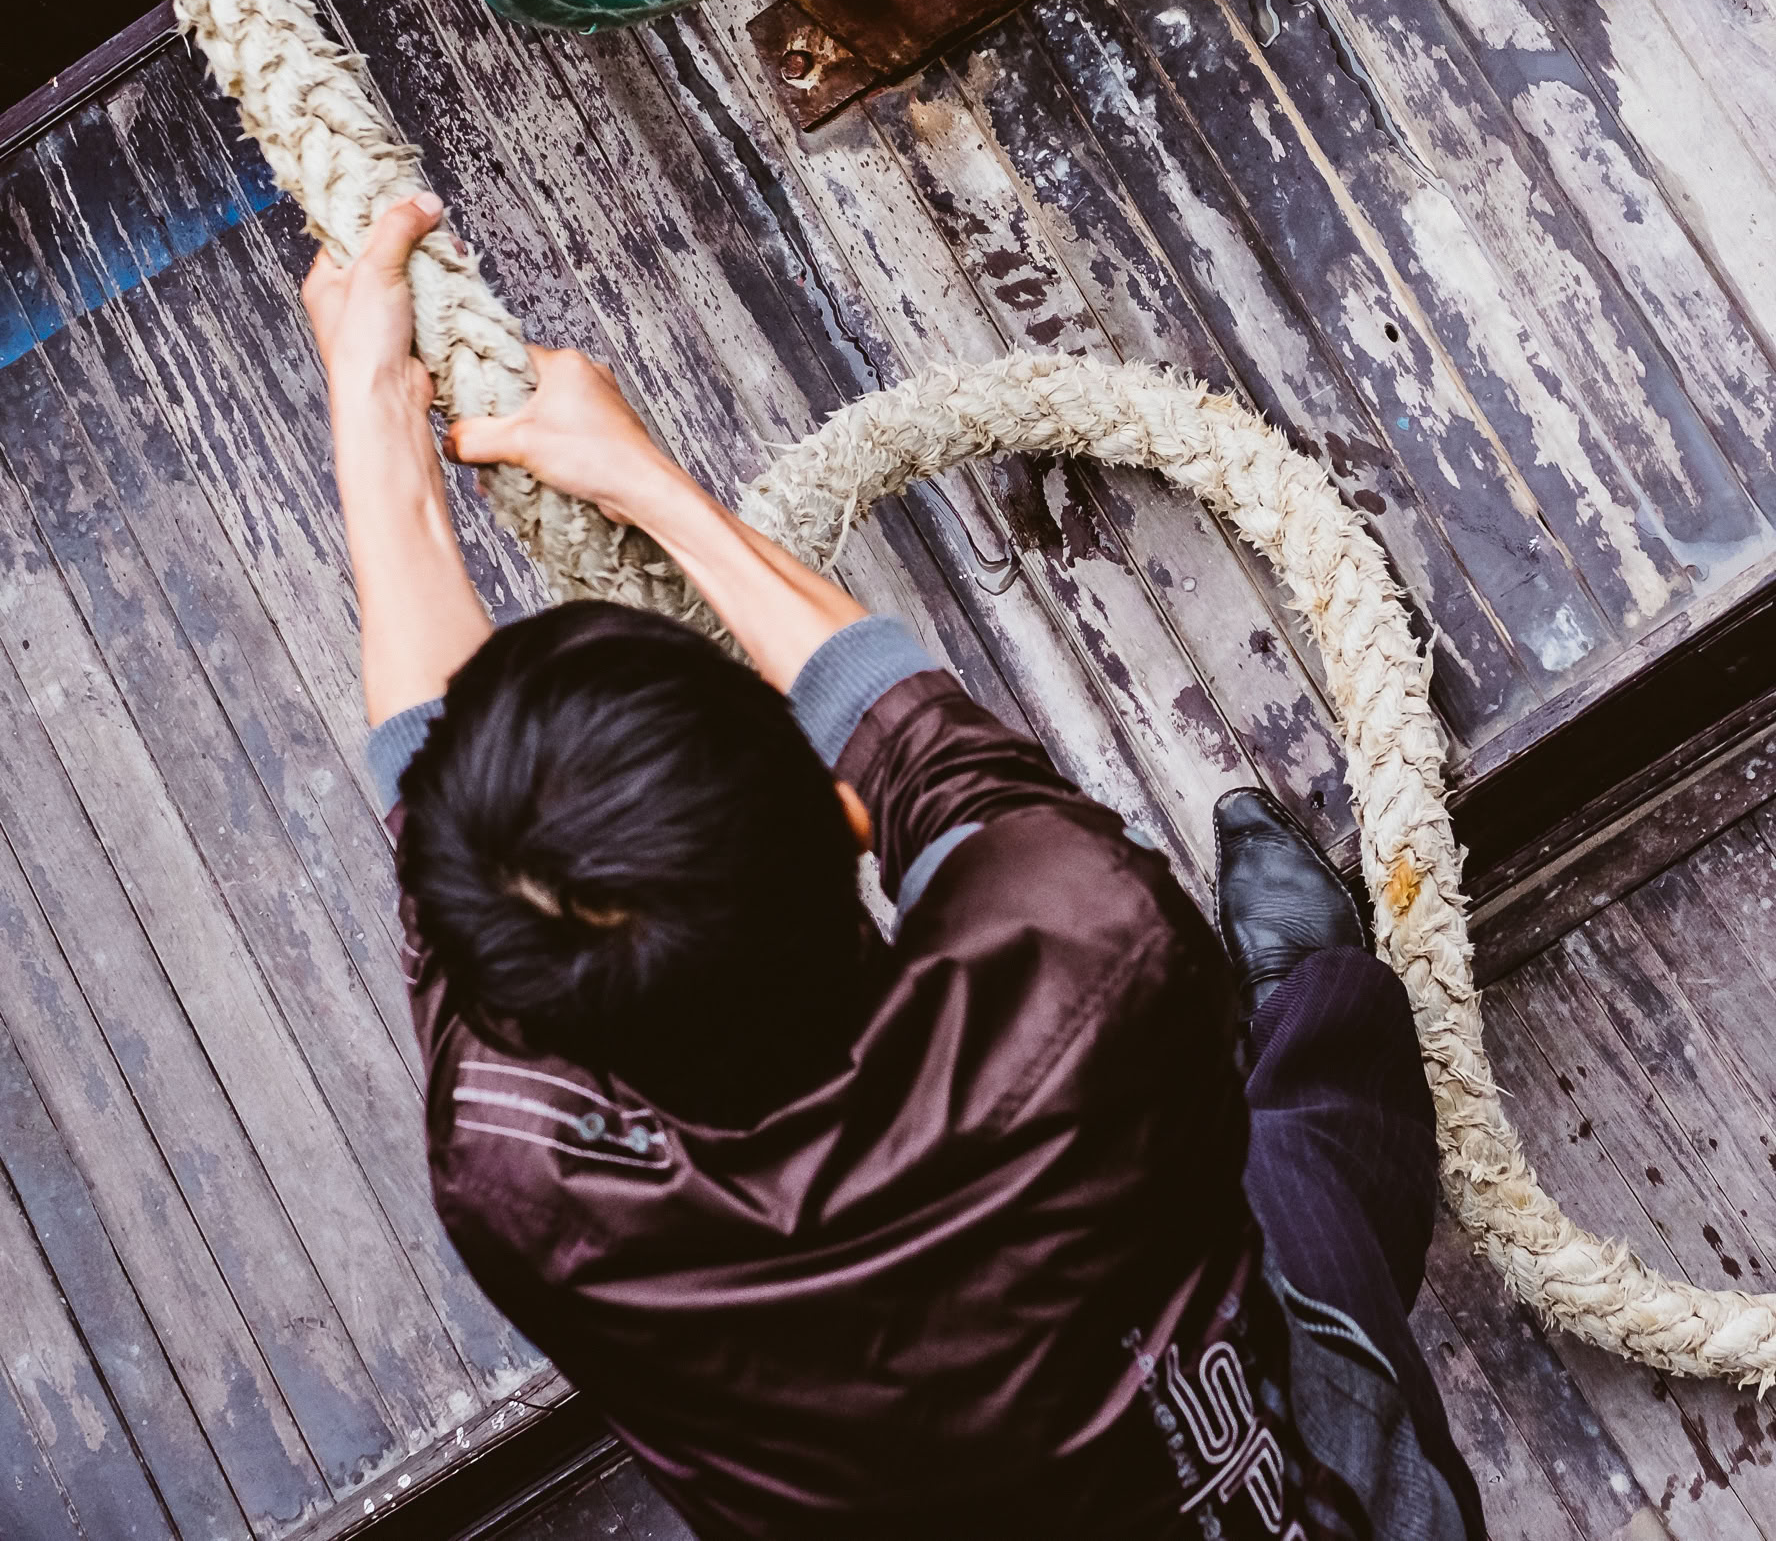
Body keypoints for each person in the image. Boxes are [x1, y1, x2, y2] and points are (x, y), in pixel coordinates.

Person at [304, 195, 1486, 1541]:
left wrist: (371, 422)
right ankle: (1325, 1009)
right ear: (851, 824)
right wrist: (650, 488)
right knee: (1307, 1139)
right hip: (1312, 1498)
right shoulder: (1087, 957)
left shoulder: (515, 1176)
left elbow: (429, 797)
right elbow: (921, 745)